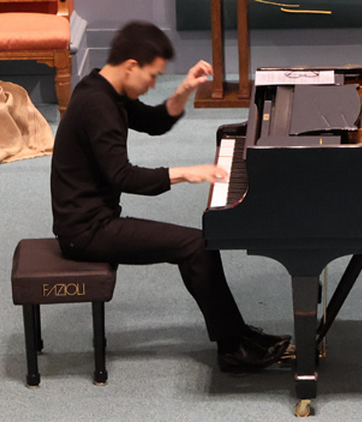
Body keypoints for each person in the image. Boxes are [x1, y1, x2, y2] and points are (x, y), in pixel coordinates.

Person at [49, 21, 290, 373]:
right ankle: (233, 347)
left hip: (94, 219)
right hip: (85, 231)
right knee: (194, 245)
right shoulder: (97, 106)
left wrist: (184, 89)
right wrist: (185, 173)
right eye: (151, 76)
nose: (151, 84)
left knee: (196, 244)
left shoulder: (106, 88)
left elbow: (154, 121)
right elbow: (123, 175)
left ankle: (237, 337)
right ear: (131, 65)